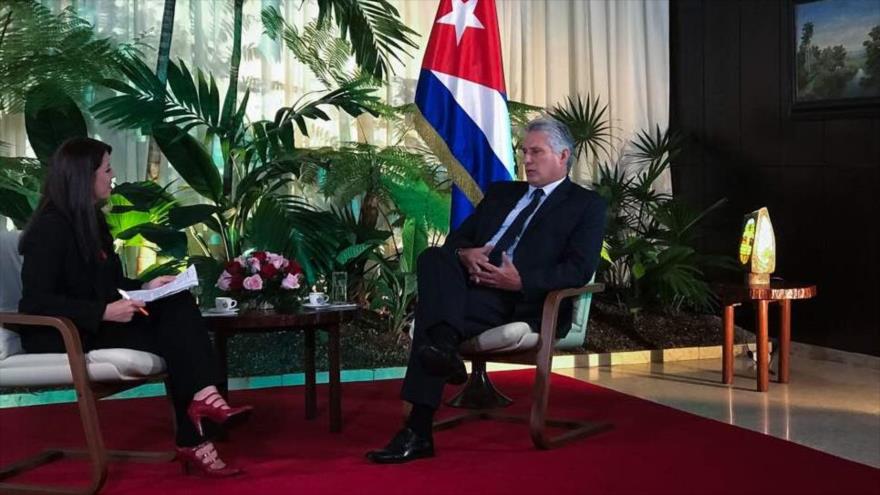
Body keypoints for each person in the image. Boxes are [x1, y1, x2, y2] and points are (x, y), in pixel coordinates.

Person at [366, 117, 607, 464]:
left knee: (434, 322)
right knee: (435, 256)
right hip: (469, 285)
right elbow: (458, 240)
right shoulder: (502, 193)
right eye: (524, 151)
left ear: (563, 155)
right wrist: (465, 254)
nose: (527, 159)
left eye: (536, 152)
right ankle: (445, 346)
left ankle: (418, 429)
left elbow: (578, 269)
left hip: (519, 300)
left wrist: (520, 280)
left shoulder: (586, 205)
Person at [17, 137, 251, 477]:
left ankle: (201, 408)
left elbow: (107, 285)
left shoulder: (93, 222)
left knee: (177, 302)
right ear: (84, 175)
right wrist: (103, 312)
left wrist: (143, 287)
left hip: (94, 323)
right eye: (107, 169)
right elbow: (34, 302)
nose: (112, 176)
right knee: (177, 334)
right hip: (60, 332)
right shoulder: (49, 228)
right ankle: (198, 422)